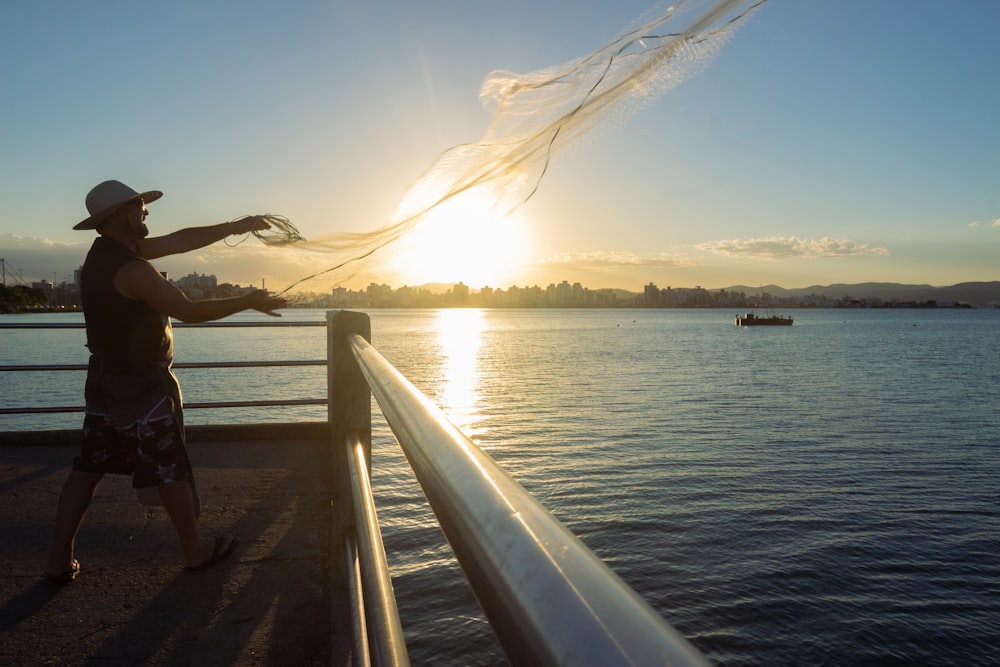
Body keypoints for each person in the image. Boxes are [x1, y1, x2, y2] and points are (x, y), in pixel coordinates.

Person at [43, 179, 287, 583]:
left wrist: (235, 226)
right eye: (140, 205)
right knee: (170, 467)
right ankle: (195, 551)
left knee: (87, 469)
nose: (146, 211)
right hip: (140, 386)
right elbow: (187, 310)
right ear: (120, 213)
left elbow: (180, 240)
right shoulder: (131, 267)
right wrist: (249, 300)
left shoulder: (107, 254)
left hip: (106, 381)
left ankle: (57, 560)